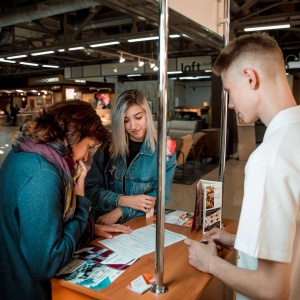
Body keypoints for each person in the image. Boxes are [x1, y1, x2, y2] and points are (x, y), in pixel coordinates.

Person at [185, 33, 300, 300]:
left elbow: (272, 289)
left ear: (250, 77)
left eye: (229, 90)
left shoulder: (268, 159)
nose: (230, 103)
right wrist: (240, 241)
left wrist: (210, 263)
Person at [0, 100, 132, 300]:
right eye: (88, 147)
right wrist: (79, 201)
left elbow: (33, 227)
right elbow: (48, 263)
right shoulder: (43, 174)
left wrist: (90, 229)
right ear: (73, 135)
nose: (86, 157)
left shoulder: (24, 152)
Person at [85, 89, 177, 225]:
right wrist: (123, 200)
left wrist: (121, 210)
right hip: (104, 225)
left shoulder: (165, 149)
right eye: (125, 120)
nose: (133, 126)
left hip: (139, 225)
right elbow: (91, 189)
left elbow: (160, 198)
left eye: (138, 117)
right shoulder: (107, 147)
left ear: (147, 115)